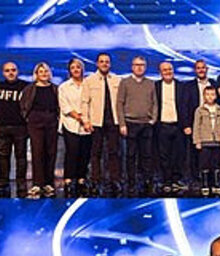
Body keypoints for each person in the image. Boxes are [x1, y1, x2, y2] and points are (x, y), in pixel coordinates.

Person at [81, 52, 122, 195]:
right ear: (97, 64)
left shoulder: (117, 80)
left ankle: (114, 180)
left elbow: (121, 102)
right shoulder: (89, 80)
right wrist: (86, 121)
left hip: (113, 121)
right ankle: (95, 181)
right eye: (102, 61)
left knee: (114, 152)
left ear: (110, 64)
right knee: (96, 153)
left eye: (107, 62)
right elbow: (84, 102)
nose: (104, 64)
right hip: (96, 122)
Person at [116, 56, 156, 197]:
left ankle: (146, 182)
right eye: (137, 65)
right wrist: (122, 123)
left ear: (145, 67)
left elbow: (155, 103)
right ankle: (131, 183)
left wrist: (153, 120)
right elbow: (119, 104)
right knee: (130, 156)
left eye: (142, 65)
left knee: (146, 156)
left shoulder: (150, 83)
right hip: (130, 124)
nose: (139, 67)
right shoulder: (125, 82)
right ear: (132, 67)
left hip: (146, 124)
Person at [20, 62, 60, 198]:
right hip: (35, 122)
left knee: (51, 152)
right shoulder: (29, 89)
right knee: (37, 152)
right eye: (41, 72)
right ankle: (37, 183)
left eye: (46, 71)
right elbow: (23, 105)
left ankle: (48, 183)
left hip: (51, 121)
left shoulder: (55, 88)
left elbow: (59, 105)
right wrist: (28, 117)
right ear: (36, 74)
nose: (44, 74)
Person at [0, 61, 28, 197]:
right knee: (3, 156)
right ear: (3, 73)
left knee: (21, 156)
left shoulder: (25, 87)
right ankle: (3, 181)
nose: (10, 73)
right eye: (7, 70)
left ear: (17, 71)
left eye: (13, 70)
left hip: (20, 126)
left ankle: (21, 182)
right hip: (2, 126)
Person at [58, 58, 91, 197]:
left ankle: (81, 179)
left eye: (78, 67)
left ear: (82, 69)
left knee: (85, 152)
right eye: (73, 67)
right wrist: (79, 117)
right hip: (70, 123)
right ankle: (68, 179)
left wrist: (87, 120)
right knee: (72, 152)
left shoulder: (88, 85)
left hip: (88, 125)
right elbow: (64, 106)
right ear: (69, 70)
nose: (76, 70)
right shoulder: (64, 87)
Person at [155, 62, 189, 193]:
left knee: (178, 155)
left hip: (178, 126)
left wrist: (186, 125)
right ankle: (166, 180)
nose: (168, 72)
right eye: (164, 70)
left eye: (169, 69)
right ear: (160, 72)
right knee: (163, 155)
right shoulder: (156, 86)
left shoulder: (181, 86)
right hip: (162, 125)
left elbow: (185, 106)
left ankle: (176, 180)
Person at [183, 59, 214, 187]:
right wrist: (186, 125)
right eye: (198, 68)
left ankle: (211, 180)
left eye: (203, 67)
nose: (201, 70)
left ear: (207, 69)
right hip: (195, 124)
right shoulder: (188, 86)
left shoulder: (214, 83)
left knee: (211, 154)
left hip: (211, 124)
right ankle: (196, 179)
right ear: (195, 70)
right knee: (195, 152)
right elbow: (184, 106)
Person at [193, 85, 220, 195]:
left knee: (216, 164)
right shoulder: (200, 110)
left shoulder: (219, 110)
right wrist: (197, 141)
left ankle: (216, 184)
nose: (210, 97)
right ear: (203, 96)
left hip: (217, 141)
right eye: (207, 94)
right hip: (205, 141)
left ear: (216, 96)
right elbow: (196, 126)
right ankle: (205, 184)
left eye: (212, 94)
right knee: (205, 164)